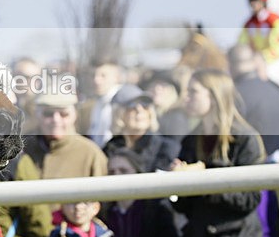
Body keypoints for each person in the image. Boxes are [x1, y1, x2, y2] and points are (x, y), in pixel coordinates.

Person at [171, 68, 268, 237]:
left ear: (213, 96)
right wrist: (178, 182)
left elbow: (249, 200)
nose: (186, 97)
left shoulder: (245, 139)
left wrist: (206, 177)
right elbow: (186, 207)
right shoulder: (191, 140)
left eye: (193, 92)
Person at [19, 91, 107, 221]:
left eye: (64, 114)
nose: (56, 120)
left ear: (74, 115)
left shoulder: (90, 153)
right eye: (48, 114)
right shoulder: (22, 149)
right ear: (37, 116)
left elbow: (102, 206)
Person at [103, 83, 181, 172]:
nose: (139, 110)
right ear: (118, 113)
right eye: (132, 106)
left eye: (144, 105)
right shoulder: (109, 149)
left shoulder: (166, 148)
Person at [78, 60, 124, 148]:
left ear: (117, 77)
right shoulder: (92, 105)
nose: (96, 80)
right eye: (93, 75)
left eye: (103, 75)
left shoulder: (124, 105)